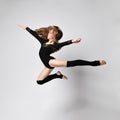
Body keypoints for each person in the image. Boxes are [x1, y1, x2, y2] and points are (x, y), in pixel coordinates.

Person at [18, 25, 106, 85]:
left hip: (50, 61)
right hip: (46, 64)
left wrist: (72, 41)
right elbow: (34, 34)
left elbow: (63, 44)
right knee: (39, 81)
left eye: (50, 32)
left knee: (72, 63)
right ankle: (57, 75)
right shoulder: (43, 41)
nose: (48, 33)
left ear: (54, 35)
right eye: (49, 32)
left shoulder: (54, 45)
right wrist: (25, 27)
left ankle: (95, 63)